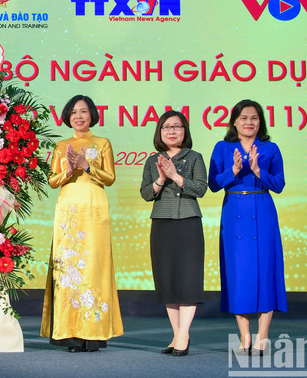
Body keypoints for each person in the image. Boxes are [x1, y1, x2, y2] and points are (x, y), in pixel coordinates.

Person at [40, 95, 123, 352]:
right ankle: (71, 332)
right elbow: (52, 181)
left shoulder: (102, 143)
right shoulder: (62, 145)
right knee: (69, 265)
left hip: (95, 207)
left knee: (95, 266)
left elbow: (109, 178)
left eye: (84, 111)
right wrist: (67, 171)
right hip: (69, 210)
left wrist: (86, 166)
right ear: (67, 116)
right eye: (74, 112)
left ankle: (95, 333)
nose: (78, 116)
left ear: (92, 115)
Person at [208, 99, 286, 356]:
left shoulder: (271, 148)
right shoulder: (223, 147)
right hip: (234, 210)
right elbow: (213, 184)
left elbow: (279, 184)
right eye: (243, 118)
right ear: (234, 121)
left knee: (266, 270)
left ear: (260, 122)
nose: (249, 122)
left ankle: (263, 337)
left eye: (254, 118)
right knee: (238, 273)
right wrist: (234, 169)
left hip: (263, 208)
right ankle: (245, 336)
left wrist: (257, 170)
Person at [140, 111, 207, 357]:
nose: (171, 131)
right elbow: (146, 194)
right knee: (167, 281)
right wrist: (160, 178)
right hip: (162, 223)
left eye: (177, 127)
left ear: (184, 131)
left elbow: (201, 189)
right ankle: (177, 334)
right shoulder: (152, 160)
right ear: (159, 132)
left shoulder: (195, 157)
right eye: (166, 127)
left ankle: (183, 336)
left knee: (187, 280)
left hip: (188, 221)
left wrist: (177, 177)